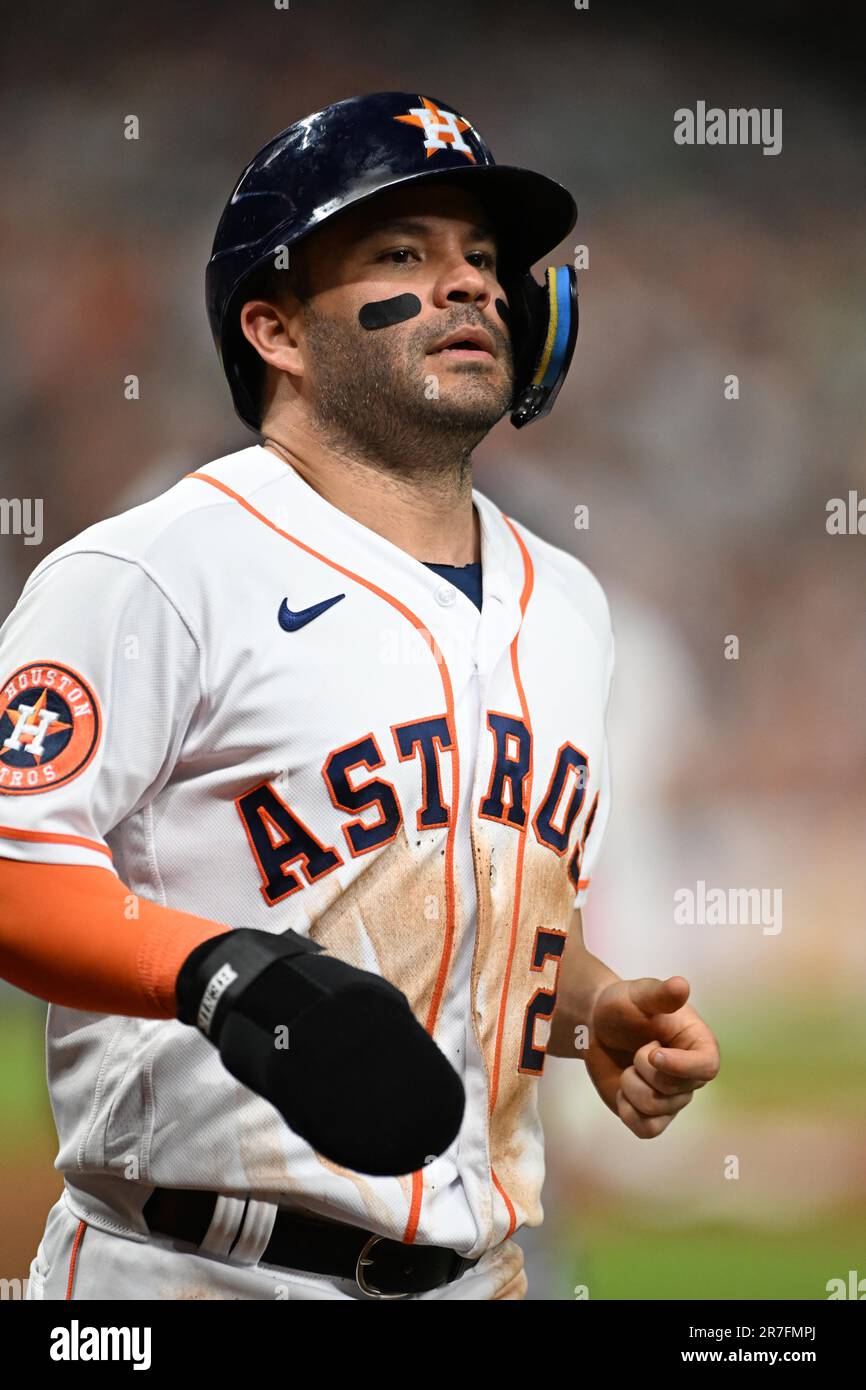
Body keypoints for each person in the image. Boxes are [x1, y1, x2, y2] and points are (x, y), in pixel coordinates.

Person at [0, 92, 719, 1301]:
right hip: (181, 1271)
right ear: (275, 329)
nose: (472, 286)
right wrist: (215, 970)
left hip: (479, 1273)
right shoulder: (156, 569)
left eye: (483, 260)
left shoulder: (571, 607)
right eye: (402, 253)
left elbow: (474, 914)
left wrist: (590, 1008)